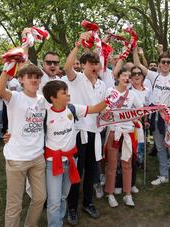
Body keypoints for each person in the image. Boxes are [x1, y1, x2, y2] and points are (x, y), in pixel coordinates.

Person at [42, 80, 106, 227]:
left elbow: (95, 108)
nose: (68, 94)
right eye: (64, 93)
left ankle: (60, 220)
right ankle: (55, 224)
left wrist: (111, 99)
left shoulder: (72, 108)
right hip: (53, 163)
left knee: (64, 196)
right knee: (53, 201)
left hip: (71, 161)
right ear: (53, 97)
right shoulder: (45, 113)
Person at [64, 32, 107, 225]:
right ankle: (71, 207)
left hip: (95, 133)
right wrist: (78, 44)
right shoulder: (77, 79)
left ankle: (87, 203)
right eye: (90, 64)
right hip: (78, 133)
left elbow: (103, 109)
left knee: (91, 171)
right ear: (83, 65)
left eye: (96, 63)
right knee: (76, 172)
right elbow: (66, 67)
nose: (94, 67)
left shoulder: (102, 85)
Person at [0, 64, 46, 227]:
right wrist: (8, 67)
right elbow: (0, 90)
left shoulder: (42, 99)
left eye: (37, 77)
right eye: (30, 76)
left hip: (38, 158)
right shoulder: (15, 97)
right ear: (21, 80)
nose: (34, 79)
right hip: (17, 159)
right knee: (14, 204)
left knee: (40, 198)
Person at [133, 47, 170, 193]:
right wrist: (135, 48)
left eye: (168, 62)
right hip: (155, 115)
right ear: (159, 63)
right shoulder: (153, 75)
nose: (166, 64)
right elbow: (137, 64)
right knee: (160, 148)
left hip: (168, 116)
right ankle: (164, 175)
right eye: (163, 61)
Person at [104, 67, 143, 208]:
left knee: (127, 163)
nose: (127, 78)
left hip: (127, 133)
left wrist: (134, 118)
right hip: (113, 132)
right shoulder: (109, 92)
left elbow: (141, 109)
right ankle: (110, 193)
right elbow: (103, 111)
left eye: (128, 76)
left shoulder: (132, 94)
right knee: (112, 164)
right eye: (124, 76)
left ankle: (127, 194)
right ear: (118, 77)